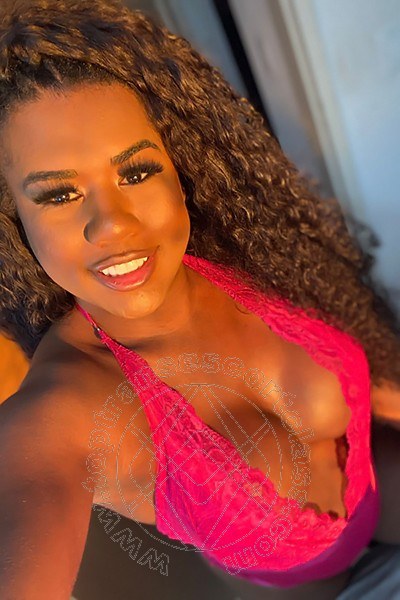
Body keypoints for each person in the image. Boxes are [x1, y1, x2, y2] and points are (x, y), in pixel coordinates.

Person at [0, 1, 399, 598]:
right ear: (12, 220)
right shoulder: (65, 408)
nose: (113, 224)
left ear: (179, 168)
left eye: (136, 172)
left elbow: (370, 376)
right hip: (300, 585)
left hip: (380, 483)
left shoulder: (249, 251)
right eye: (59, 194)